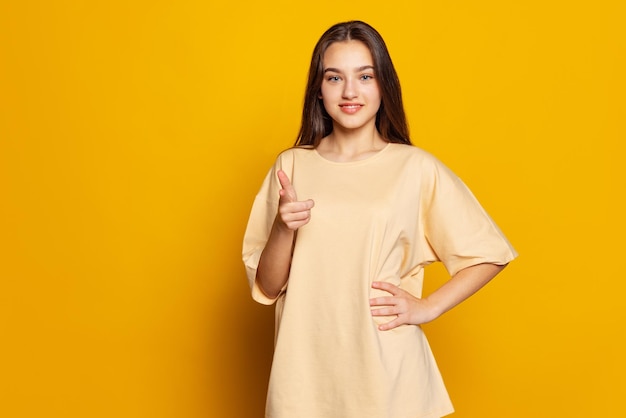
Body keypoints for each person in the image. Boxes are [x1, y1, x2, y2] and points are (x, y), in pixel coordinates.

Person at [242, 20, 517, 418]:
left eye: (365, 76)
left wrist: (428, 307)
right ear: (319, 91)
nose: (350, 91)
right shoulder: (292, 166)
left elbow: (489, 252)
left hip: (388, 376)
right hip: (302, 376)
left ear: (383, 85)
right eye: (334, 77)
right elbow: (268, 287)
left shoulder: (414, 168)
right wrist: (283, 228)